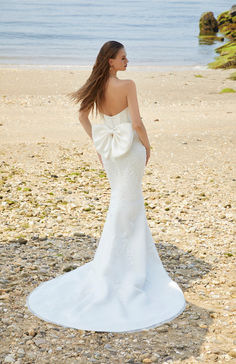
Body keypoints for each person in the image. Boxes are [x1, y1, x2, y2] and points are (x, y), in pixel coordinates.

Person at [26, 40, 186, 333]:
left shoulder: (97, 87)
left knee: (122, 202)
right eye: (123, 57)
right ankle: (128, 267)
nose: (128, 61)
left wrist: (99, 143)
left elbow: (82, 117)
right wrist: (148, 147)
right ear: (110, 61)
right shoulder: (128, 85)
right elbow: (136, 123)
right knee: (130, 203)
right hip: (130, 150)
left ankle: (119, 263)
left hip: (111, 152)